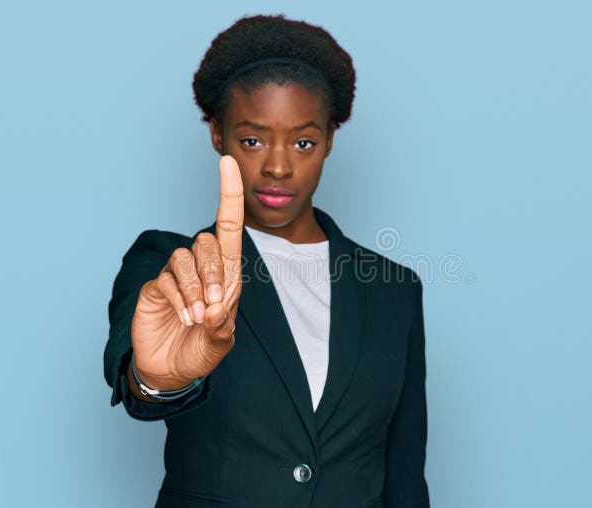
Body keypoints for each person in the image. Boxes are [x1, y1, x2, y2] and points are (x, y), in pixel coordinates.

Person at [103, 14, 429, 508]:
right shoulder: (171, 262)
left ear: (329, 141)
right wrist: (156, 382)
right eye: (252, 140)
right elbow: (134, 377)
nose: (278, 166)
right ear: (217, 133)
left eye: (303, 142)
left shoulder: (394, 289)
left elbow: (404, 480)